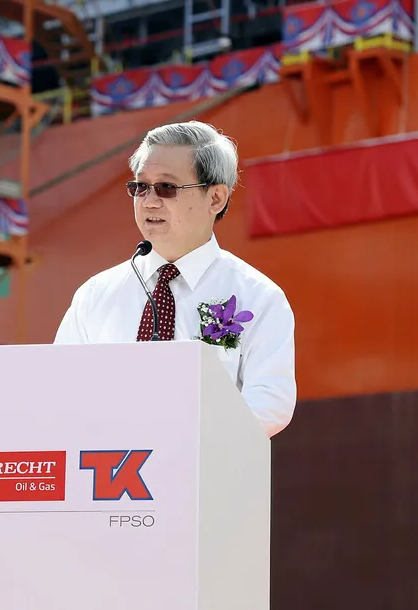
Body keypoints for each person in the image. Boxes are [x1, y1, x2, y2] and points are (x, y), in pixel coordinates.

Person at [53, 121, 296, 438]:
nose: (149, 201)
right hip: (103, 475)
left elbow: (269, 403)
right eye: (140, 187)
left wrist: (178, 439)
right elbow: (59, 390)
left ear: (215, 199)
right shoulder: (96, 295)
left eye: (166, 188)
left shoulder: (257, 297)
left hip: (206, 475)